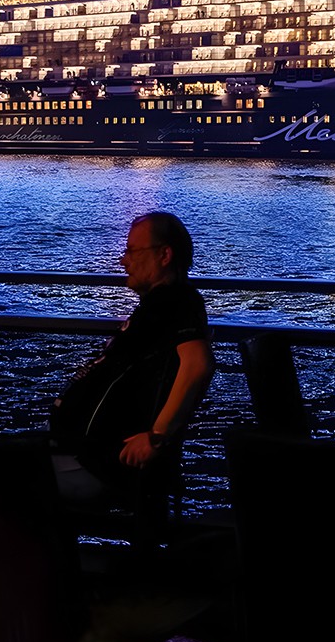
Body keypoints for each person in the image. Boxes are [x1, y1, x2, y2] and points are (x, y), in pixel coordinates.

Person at [51, 212, 215, 496]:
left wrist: (157, 436)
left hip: (100, 465)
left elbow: (198, 364)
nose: (123, 261)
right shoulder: (158, 306)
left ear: (164, 255)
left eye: (131, 251)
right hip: (83, 453)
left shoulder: (178, 302)